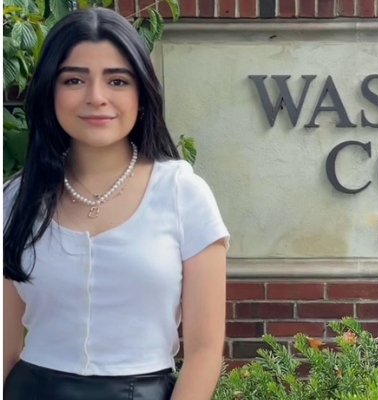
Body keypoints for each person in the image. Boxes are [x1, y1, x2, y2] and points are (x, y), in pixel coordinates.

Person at [3, 7, 229, 400]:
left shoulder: (182, 193)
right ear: (49, 92)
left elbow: (204, 351)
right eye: (74, 79)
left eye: (117, 80)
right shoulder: (16, 199)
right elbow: (4, 348)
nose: (96, 97)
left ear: (141, 93)